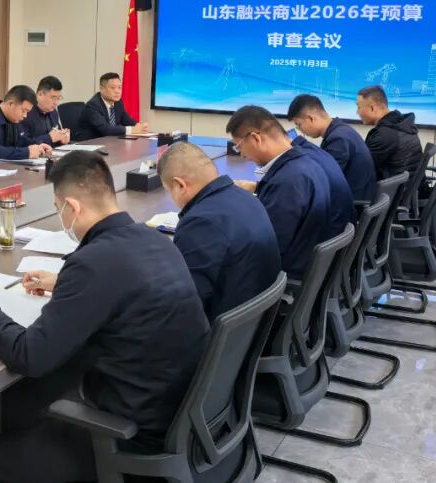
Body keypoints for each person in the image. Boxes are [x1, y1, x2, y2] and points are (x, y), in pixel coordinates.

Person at [0, 151, 209, 483]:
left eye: (58, 207)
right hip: (175, 415)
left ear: (71, 207)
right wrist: (64, 284)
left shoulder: (92, 263)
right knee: (43, 392)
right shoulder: (152, 239)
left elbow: (30, 356)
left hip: (129, 436)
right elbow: (123, 287)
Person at [158, 141, 281, 321]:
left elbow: (186, 306)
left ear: (180, 185)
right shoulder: (246, 198)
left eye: (168, 190)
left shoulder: (201, 223)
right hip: (256, 321)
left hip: (224, 330)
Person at [226, 105, 333, 278]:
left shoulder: (287, 181)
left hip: (285, 277)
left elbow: (266, 248)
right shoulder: (305, 163)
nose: (243, 155)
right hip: (306, 265)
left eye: (239, 147)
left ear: (256, 138)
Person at [288, 93, 377, 203]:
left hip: (353, 205)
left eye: (299, 124)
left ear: (311, 118)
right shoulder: (340, 130)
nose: (300, 130)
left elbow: (324, 180)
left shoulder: (338, 140)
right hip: (356, 198)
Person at [356, 85, 423, 181]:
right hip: (407, 186)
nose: (357, 112)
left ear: (372, 108)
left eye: (359, 107)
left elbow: (360, 169)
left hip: (395, 189)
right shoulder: (400, 125)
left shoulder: (385, 136)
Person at [0, 85, 53, 162]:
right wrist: (27, 152)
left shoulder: (13, 118)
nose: (25, 116)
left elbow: (21, 141)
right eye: (24, 111)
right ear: (11, 104)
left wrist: (38, 146)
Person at [78, 72, 150, 140]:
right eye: (113, 88)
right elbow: (106, 130)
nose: (117, 91)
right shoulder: (93, 106)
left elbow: (127, 120)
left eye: (119, 87)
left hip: (110, 142)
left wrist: (140, 126)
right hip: (90, 144)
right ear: (102, 89)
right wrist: (132, 129)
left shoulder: (118, 102)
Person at [23, 76, 71, 146]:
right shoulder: (25, 113)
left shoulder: (53, 112)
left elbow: (54, 139)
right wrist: (49, 138)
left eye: (58, 98)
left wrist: (61, 140)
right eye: (53, 98)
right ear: (40, 94)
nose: (56, 103)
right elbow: (23, 144)